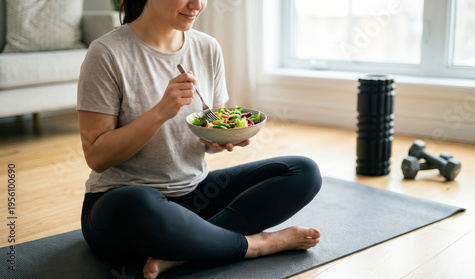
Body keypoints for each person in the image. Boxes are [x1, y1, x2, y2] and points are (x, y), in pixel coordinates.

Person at [77, 0, 322, 278]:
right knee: (135, 202)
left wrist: (219, 139)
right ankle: (257, 245)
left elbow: (207, 131)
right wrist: (159, 112)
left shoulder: (207, 47)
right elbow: (97, 157)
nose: (197, 4)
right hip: (124, 207)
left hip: (196, 197)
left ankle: (185, 250)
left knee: (304, 171)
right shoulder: (107, 53)